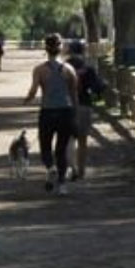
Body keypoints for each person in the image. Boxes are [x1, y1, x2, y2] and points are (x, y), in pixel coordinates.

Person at [23, 32, 79, 193]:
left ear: (45, 49)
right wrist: (75, 115)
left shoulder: (39, 70)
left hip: (47, 111)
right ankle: (62, 184)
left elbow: (33, 91)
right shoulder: (69, 69)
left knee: (45, 147)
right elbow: (74, 95)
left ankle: (51, 166)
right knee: (61, 149)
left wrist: (27, 99)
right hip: (65, 112)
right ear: (60, 48)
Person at [65, 38, 109, 180]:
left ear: (70, 51)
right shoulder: (88, 68)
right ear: (82, 51)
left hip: (66, 107)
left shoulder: (63, 67)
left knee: (67, 139)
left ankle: (71, 167)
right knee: (82, 140)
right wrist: (103, 86)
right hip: (84, 105)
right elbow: (97, 87)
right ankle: (81, 170)